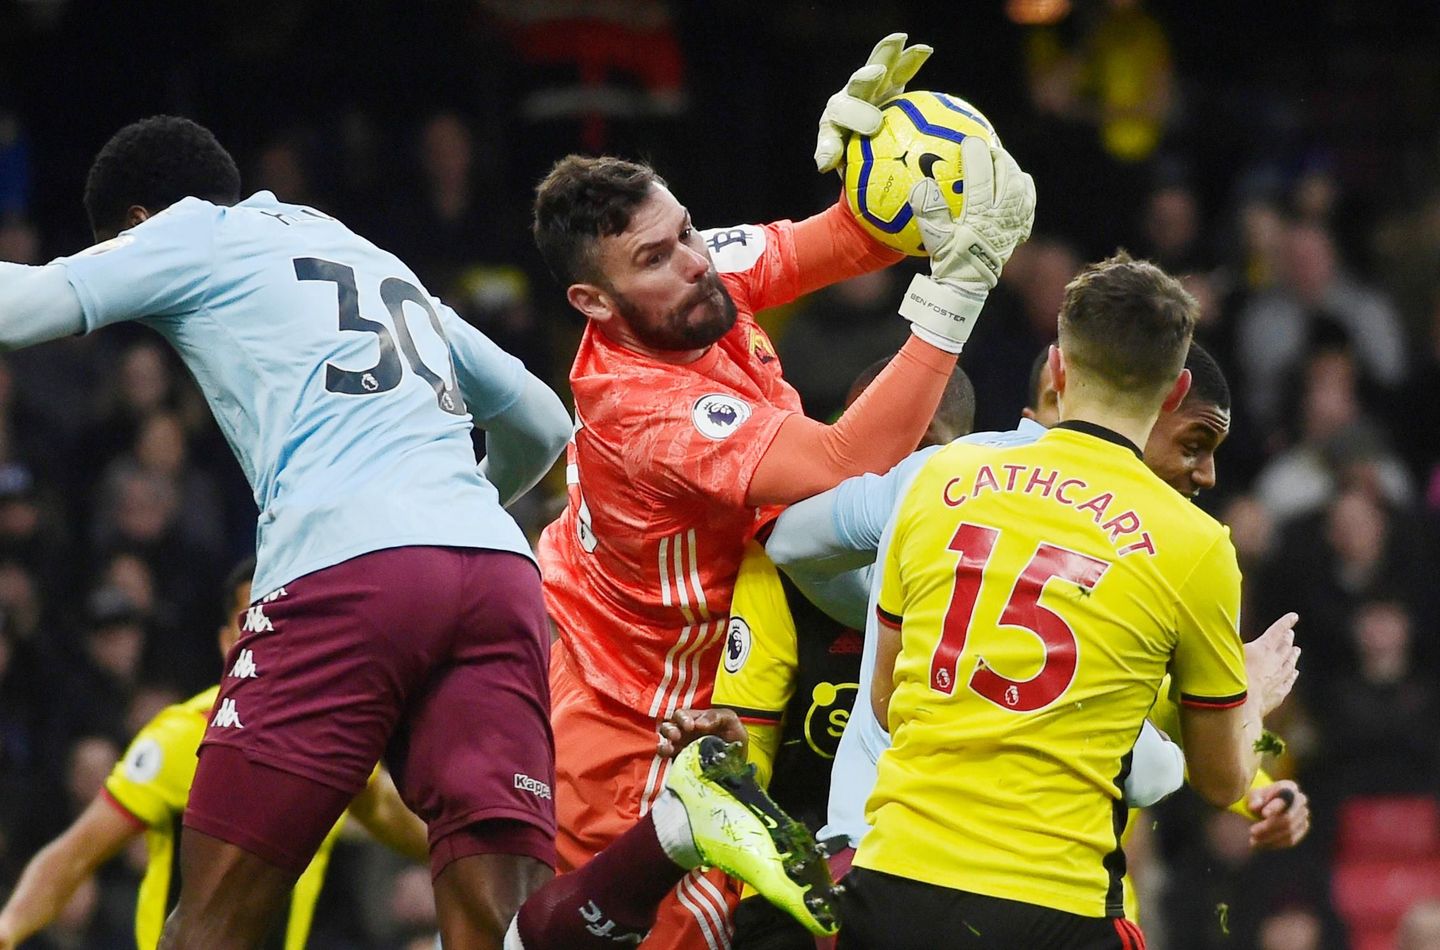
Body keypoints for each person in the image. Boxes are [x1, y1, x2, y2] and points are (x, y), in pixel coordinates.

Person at [0, 116, 838, 950]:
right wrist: (444, 519)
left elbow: (22, 308)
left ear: (136, 225)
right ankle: (669, 837)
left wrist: (396, 542)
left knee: (212, 924)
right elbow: (540, 420)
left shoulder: (184, 232)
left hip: (344, 570)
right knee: (500, 931)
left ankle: (673, 835)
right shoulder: (359, 251)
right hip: (496, 578)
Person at [530, 32, 1036, 949]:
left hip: (723, 659)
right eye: (655, 258)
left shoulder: (688, 279)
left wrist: (881, 182)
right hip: (639, 721)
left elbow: (834, 242)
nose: (694, 261)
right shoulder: (646, 412)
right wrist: (958, 293)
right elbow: (846, 461)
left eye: (687, 232)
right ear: (593, 303)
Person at [837, 252, 1285, 948]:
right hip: (1050, 907)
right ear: (1176, 390)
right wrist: (1253, 695)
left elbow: (887, 698)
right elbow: (1222, 780)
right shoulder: (1195, 543)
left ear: (1057, 368)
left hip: (893, 883)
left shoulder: (941, 477)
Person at [0, 559, 431, 950]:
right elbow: (73, 854)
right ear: (228, 642)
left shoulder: (334, 739)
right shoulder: (182, 737)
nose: (273, 640)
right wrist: (9, 927)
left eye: (289, 624)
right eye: (255, 625)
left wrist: (462, 855)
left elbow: (388, 813)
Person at [711, 358, 976, 949]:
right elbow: (748, 757)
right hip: (792, 883)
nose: (897, 471)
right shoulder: (775, 568)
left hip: (940, 876)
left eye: (921, 450)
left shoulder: (988, 582)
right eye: (880, 446)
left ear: (961, 457)